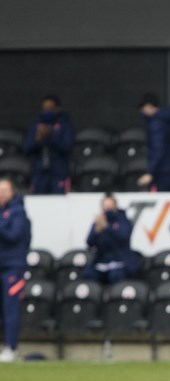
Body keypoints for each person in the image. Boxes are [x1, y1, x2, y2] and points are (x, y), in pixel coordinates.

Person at [0, 178, 31, 362]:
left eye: (4, 190)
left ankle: (11, 347)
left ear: (12, 192)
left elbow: (14, 236)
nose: (1, 194)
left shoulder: (19, 213)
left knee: (10, 308)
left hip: (13, 267)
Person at [81, 193, 140, 284]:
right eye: (105, 206)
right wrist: (96, 232)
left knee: (116, 275)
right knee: (88, 274)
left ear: (115, 206)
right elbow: (89, 242)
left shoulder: (123, 221)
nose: (107, 209)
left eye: (110, 206)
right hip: (102, 262)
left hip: (121, 261)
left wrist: (107, 228)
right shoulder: (99, 222)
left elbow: (123, 237)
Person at [22, 95, 74, 194]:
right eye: (45, 108)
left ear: (58, 108)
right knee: (38, 203)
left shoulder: (65, 124)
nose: (47, 110)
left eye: (50, 108)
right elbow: (26, 149)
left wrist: (51, 136)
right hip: (39, 173)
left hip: (59, 173)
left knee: (59, 204)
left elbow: (67, 147)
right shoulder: (36, 125)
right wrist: (36, 140)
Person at [137, 93, 170, 192]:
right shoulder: (167, 120)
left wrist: (150, 172)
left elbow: (158, 149)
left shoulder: (156, 124)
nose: (142, 112)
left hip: (161, 173)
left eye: (143, 108)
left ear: (149, 106)